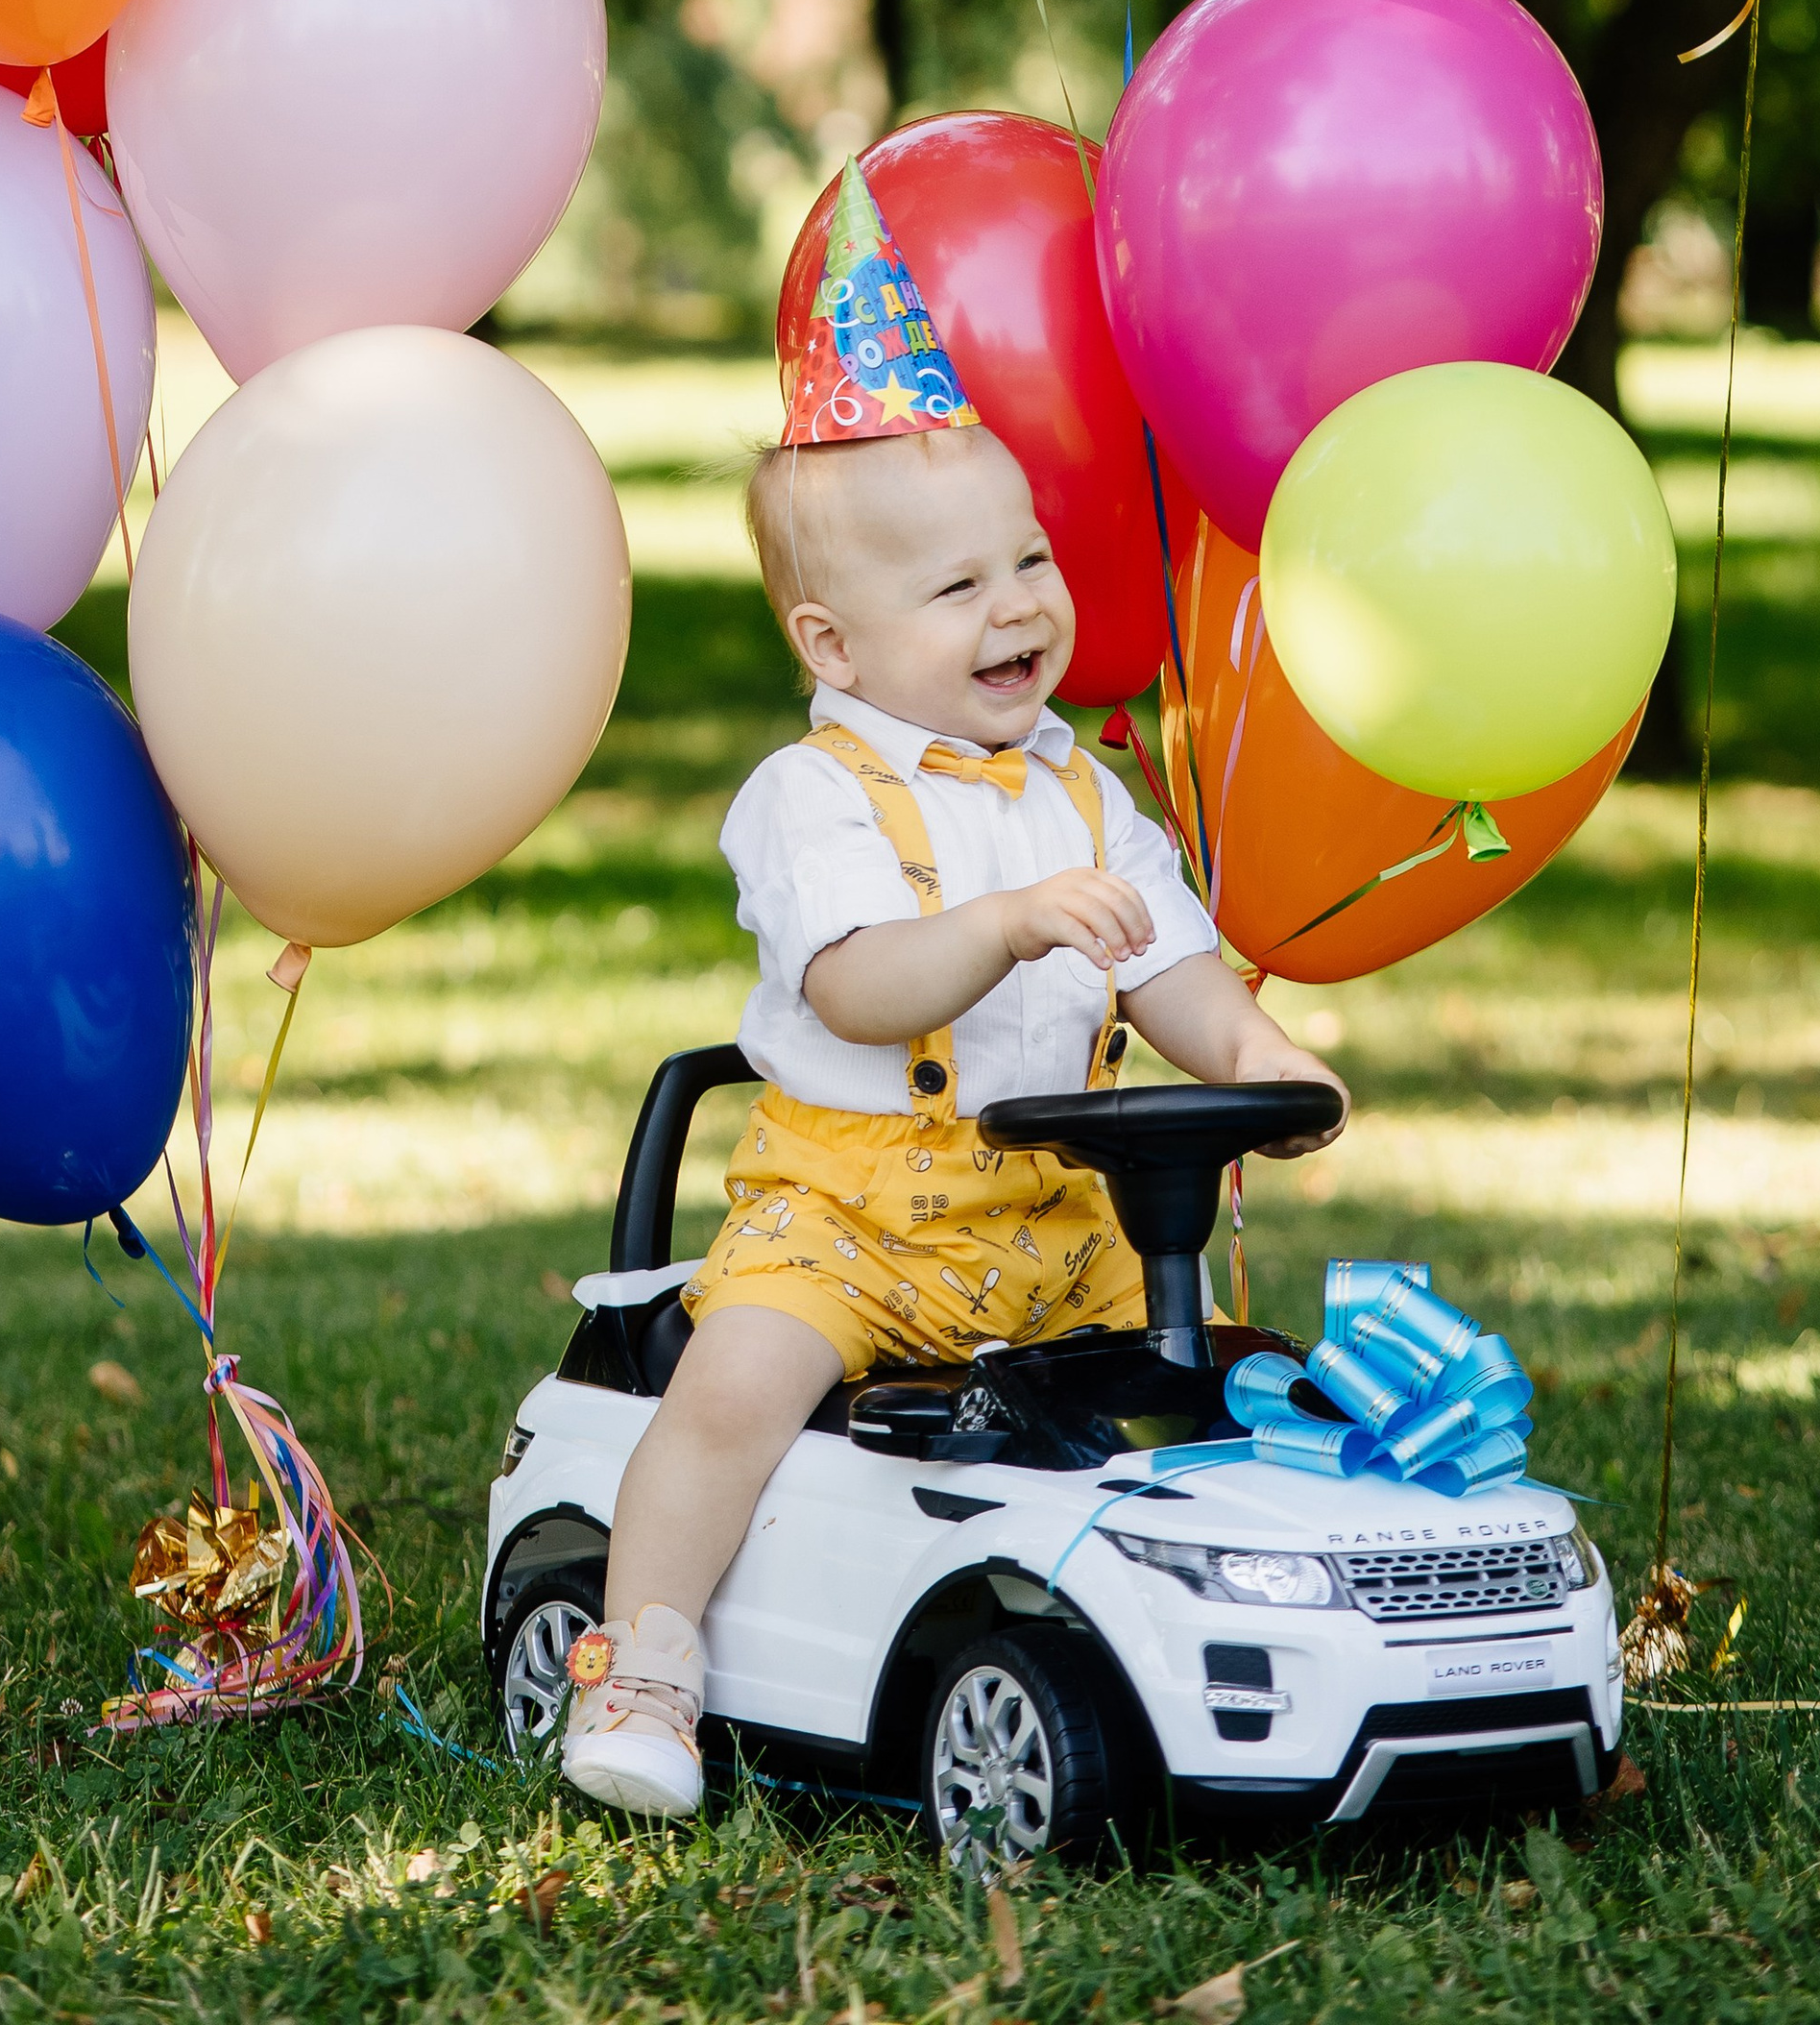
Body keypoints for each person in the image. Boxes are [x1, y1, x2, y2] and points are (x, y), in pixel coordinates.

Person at [561, 164, 1347, 1819]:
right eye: (959, 589)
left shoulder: (1084, 792)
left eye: (1031, 559)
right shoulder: (815, 795)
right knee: (733, 1394)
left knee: (1222, 1389)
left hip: (1061, 1224)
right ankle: (647, 1664)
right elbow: (857, 987)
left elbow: (1176, 967)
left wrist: (1261, 1056)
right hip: (846, 1220)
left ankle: (1215, 1659)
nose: (1020, 608)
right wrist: (1003, 925)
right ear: (833, 645)